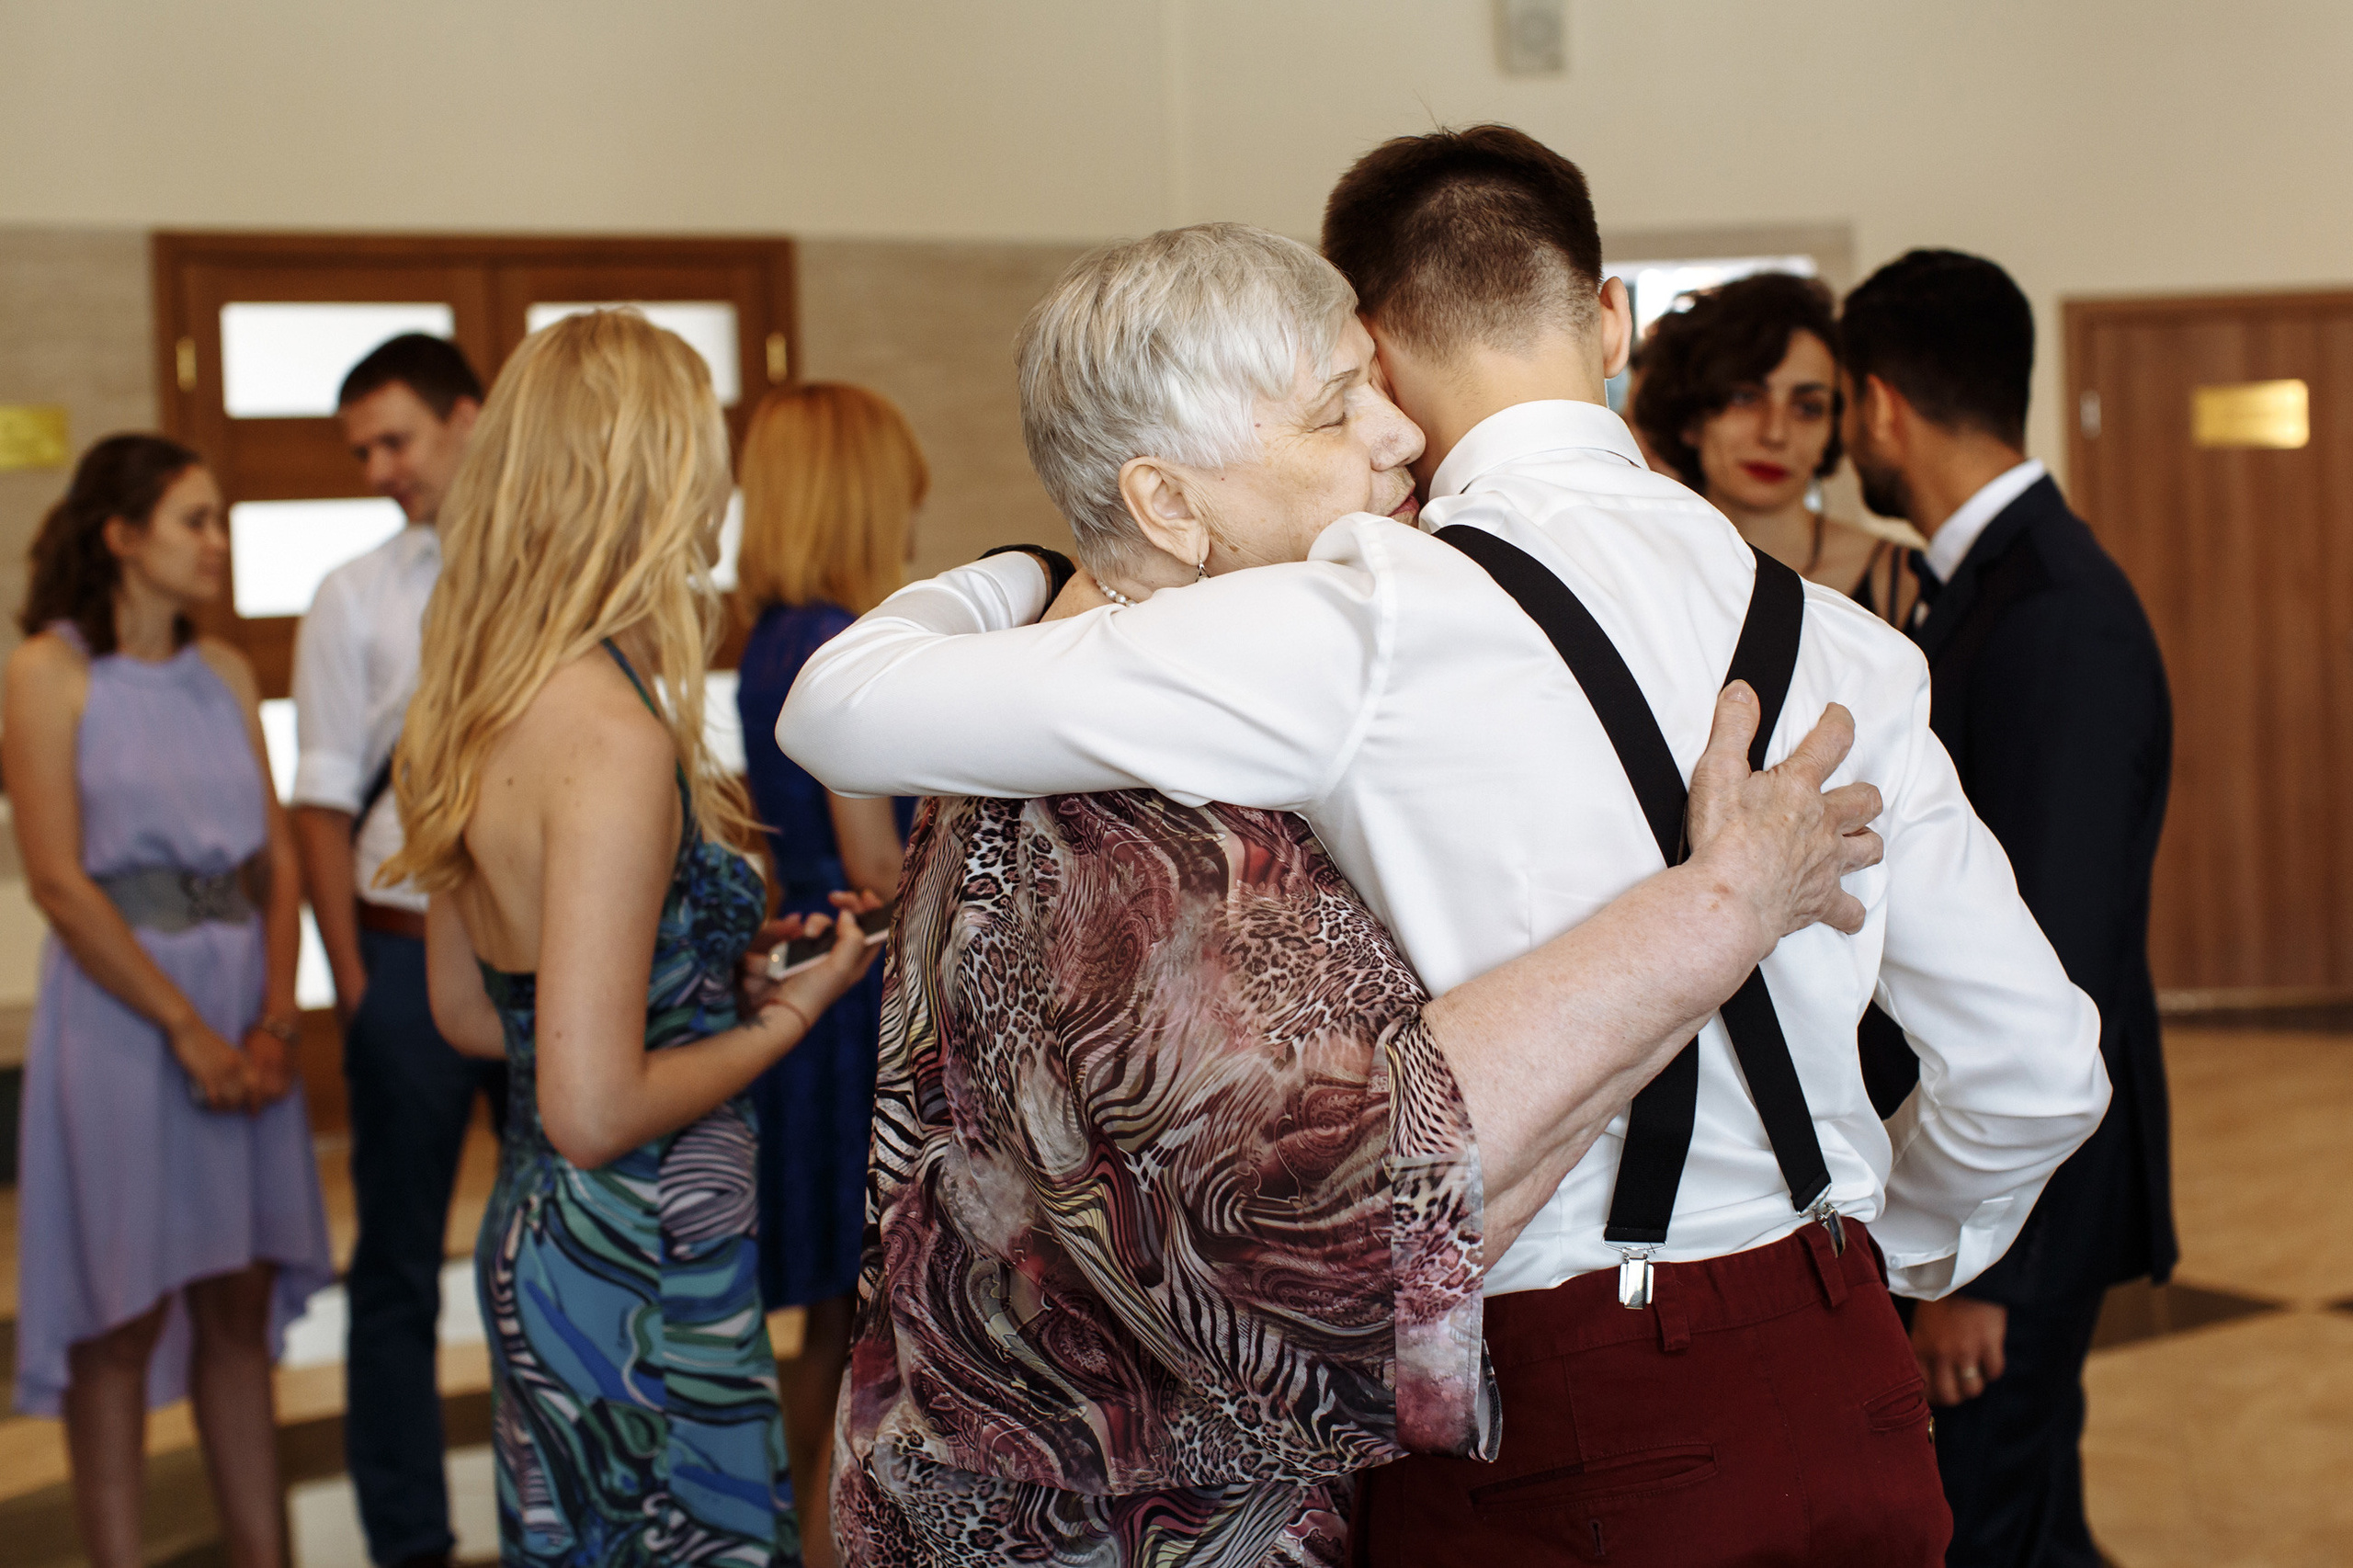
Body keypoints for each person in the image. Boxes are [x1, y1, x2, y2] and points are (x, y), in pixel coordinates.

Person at [780, 141, 2109, 1565]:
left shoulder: (1367, 613)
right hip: (1849, 1379)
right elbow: (2041, 1064)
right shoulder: (1848, 642)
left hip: (1557, 1405)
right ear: (1608, 321)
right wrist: (1872, 1245)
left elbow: (851, 712)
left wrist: (1024, 572)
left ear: (1382, 351)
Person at [385, 309, 879, 1568]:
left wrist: (707, 975)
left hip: (543, 1240)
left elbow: (469, 1010)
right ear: (652, 479)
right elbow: (597, 1103)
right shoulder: (608, 740)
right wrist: (792, 1011)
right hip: (640, 1251)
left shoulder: (469, 706)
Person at [1840, 248, 2176, 1568]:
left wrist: (1980, 1273)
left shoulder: (2054, 614)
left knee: (1989, 1527)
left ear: (1879, 407)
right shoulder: (1991, 585)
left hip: (2026, 1198)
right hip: (2006, 1177)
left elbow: (2062, 957)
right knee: (2027, 1517)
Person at [6, 434, 334, 1568]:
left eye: (220, 518)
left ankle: (263, 1549)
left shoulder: (228, 671)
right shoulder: (49, 673)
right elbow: (56, 876)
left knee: (238, 1300)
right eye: (195, 519)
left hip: (241, 997)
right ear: (122, 533)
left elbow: (280, 860)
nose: (216, 541)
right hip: (119, 1016)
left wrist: (275, 1017)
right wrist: (187, 1027)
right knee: (120, 1310)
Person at [289, 331, 500, 1568]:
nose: (377, 468)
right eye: (359, 448)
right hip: (402, 954)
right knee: (399, 1271)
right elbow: (319, 806)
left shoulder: (547, 570)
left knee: (549, 1242)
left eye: (396, 440)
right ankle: (406, 1539)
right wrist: (357, 984)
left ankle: (558, 1509)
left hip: (533, 965)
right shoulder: (352, 594)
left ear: (468, 418)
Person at [731, 381, 926, 1564]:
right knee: (856, 1320)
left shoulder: (767, 637)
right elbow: (878, 859)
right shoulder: (837, 644)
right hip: (854, 991)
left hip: (807, 975)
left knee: (816, 1314)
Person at [1632, 271, 1922, 623]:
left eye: (1807, 407)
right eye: (1745, 398)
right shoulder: (1637, 572)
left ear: (1835, 425)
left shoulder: (1903, 581)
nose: (1775, 434)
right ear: (1691, 419)